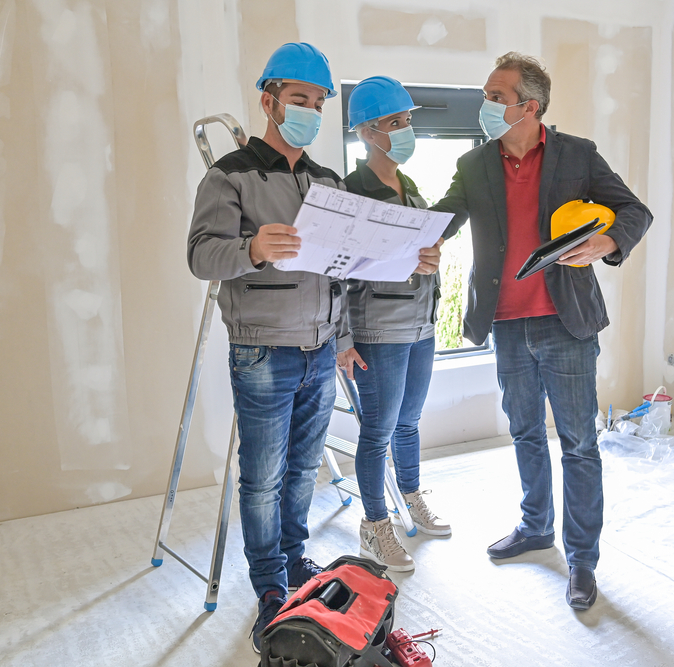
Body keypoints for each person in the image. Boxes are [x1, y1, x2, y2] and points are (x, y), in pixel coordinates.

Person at [432, 52, 653, 610]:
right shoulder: (474, 163)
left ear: (529, 106)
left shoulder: (578, 155)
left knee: (579, 444)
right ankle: (536, 527)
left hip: (566, 322)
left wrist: (609, 242)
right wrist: (406, 235)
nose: (485, 105)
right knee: (526, 432)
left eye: (495, 96)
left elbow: (634, 211)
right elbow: (442, 219)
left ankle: (582, 561)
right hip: (506, 324)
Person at [186, 42, 347, 652]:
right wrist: (253, 249)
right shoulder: (228, 175)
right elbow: (202, 256)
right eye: (298, 99)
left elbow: (343, 269)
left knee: (305, 469)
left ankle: (296, 559)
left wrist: (345, 336)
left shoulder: (327, 182)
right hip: (263, 352)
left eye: (317, 102)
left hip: (320, 347)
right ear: (269, 101)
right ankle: (269, 587)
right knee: (262, 478)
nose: (308, 110)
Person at [337, 76, 450, 574]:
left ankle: (411, 497)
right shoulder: (351, 191)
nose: (407, 131)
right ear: (365, 131)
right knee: (377, 430)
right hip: (378, 330)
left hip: (421, 325)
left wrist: (428, 257)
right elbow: (335, 269)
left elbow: (414, 253)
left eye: (409, 121)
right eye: (395, 123)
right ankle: (375, 525)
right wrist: (341, 339)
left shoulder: (411, 187)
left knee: (409, 422)